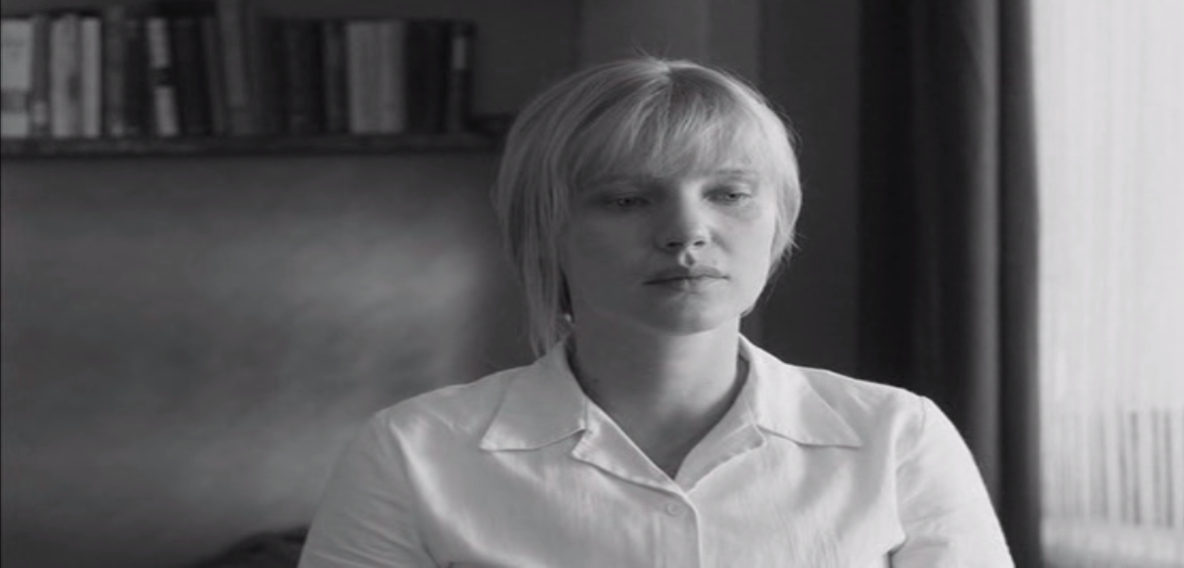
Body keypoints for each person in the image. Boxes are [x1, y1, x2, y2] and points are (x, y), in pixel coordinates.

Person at [298, 57, 1014, 567]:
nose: (686, 232)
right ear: (544, 230)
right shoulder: (413, 453)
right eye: (626, 199)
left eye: (729, 194)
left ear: (778, 221)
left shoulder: (895, 437)